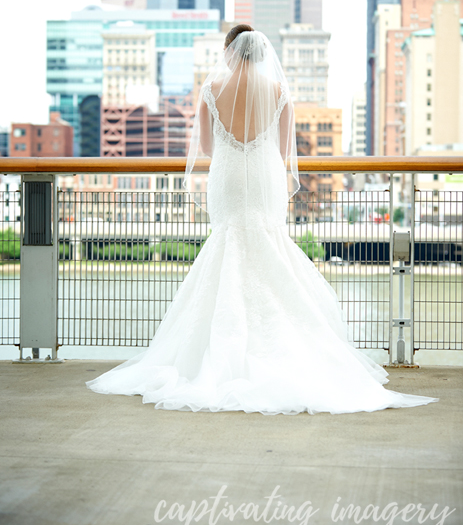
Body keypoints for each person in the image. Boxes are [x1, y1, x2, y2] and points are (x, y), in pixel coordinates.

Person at [86, 25, 439, 415]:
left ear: (229, 51)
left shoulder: (211, 90)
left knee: (228, 242)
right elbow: (284, 146)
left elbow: (205, 146)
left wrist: (230, 140)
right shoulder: (278, 91)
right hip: (266, 177)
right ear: (260, 53)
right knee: (269, 243)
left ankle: (214, 352)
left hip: (229, 176)